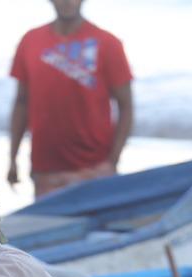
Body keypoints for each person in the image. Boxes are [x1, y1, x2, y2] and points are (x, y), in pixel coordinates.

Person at [8, 0, 134, 200]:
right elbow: (21, 103)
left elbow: (126, 107)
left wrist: (112, 161)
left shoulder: (108, 43)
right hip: (46, 169)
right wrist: (13, 158)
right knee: (50, 228)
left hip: (95, 168)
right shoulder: (30, 41)